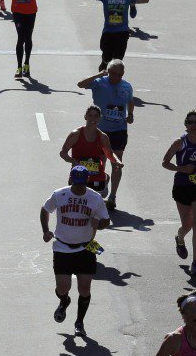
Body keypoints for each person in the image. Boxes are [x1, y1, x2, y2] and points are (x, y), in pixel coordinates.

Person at [41, 164, 111, 336]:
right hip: (62, 247)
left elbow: (106, 220)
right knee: (62, 288)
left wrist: (99, 225)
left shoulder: (95, 198)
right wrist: (45, 231)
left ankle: (79, 322)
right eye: (76, 183)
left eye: (82, 183)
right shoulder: (60, 194)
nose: (79, 187)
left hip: (85, 248)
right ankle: (64, 301)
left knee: (85, 288)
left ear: (87, 181)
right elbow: (45, 210)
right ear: (71, 179)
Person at [162, 111, 196, 277]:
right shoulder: (179, 142)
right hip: (182, 185)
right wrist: (181, 168)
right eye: (190, 122)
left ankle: (195, 262)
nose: (193, 125)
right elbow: (165, 162)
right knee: (187, 224)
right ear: (185, 124)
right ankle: (180, 237)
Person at [76, 60, 133, 210]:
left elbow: (130, 101)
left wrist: (131, 114)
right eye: (113, 74)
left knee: (117, 163)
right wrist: (99, 74)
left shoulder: (127, 86)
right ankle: (100, 185)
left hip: (119, 130)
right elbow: (80, 84)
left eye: (120, 75)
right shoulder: (99, 82)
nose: (117, 77)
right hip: (100, 131)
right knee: (100, 163)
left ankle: (113, 197)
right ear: (108, 72)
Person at [86, 0, 152, 70]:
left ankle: (114, 81)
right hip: (108, 31)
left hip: (122, 31)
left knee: (117, 61)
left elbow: (145, 0)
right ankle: (103, 68)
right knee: (106, 57)